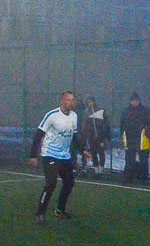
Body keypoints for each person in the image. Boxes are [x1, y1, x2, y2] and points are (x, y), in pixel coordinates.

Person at [29, 91, 91, 224]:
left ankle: (60, 210)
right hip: (50, 155)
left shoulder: (74, 116)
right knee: (51, 184)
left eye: (72, 100)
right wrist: (33, 155)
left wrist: (83, 151)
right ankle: (40, 213)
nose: (71, 102)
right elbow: (38, 135)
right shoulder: (52, 115)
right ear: (62, 101)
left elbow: (73, 137)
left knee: (69, 182)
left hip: (64, 156)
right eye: (68, 100)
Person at [120, 92, 150, 182]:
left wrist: (149, 136)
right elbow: (122, 125)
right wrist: (122, 138)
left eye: (136, 100)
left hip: (142, 140)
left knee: (143, 160)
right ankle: (128, 177)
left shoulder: (145, 111)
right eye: (133, 100)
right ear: (130, 101)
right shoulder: (126, 111)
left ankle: (143, 178)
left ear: (139, 101)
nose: (134, 102)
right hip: (130, 139)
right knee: (129, 160)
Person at [82, 95, 110, 175]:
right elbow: (84, 126)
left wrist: (106, 134)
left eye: (90, 101)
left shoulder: (101, 111)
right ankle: (96, 168)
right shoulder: (86, 112)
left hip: (100, 137)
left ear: (94, 102)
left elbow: (106, 123)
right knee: (93, 153)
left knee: (101, 152)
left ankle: (101, 169)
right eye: (88, 102)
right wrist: (85, 135)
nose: (89, 103)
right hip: (91, 137)